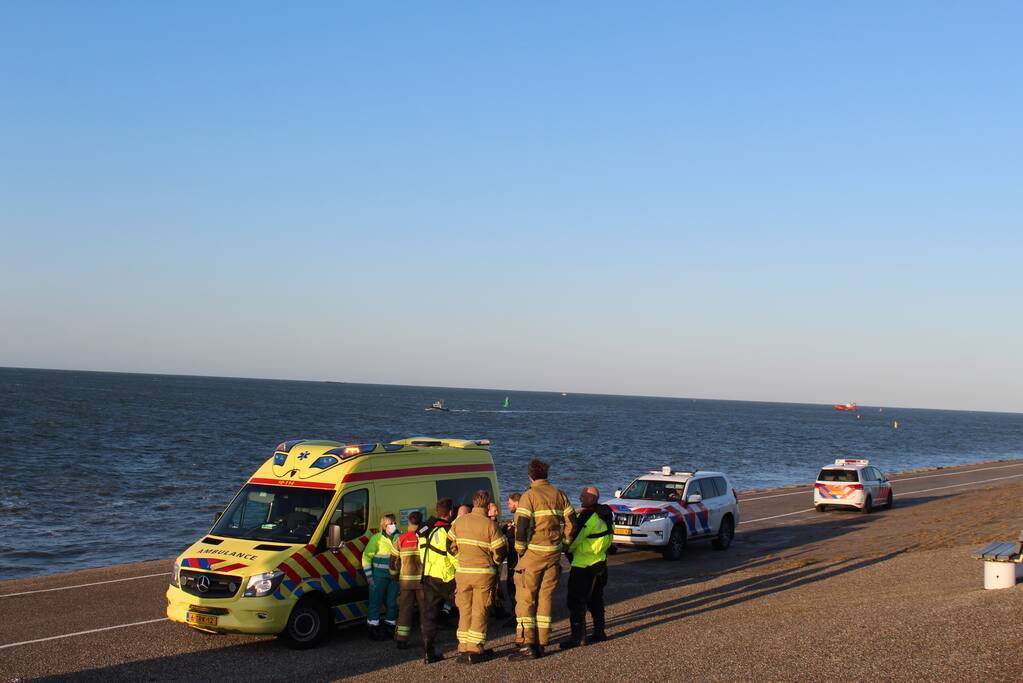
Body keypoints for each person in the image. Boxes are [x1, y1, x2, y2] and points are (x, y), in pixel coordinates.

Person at [510, 459, 577, 660]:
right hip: (553, 553)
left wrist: (520, 550)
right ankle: (542, 641)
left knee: (525, 598)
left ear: (530, 476)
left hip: (533, 555)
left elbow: (521, 527)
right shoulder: (559, 494)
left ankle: (527, 644)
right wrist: (564, 543)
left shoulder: (529, 496)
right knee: (545, 598)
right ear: (546, 475)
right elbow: (572, 523)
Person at [449, 490, 507, 664]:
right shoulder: (490, 525)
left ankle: (463, 646)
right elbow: (500, 551)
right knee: (480, 610)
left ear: (473, 503)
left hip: (463, 573)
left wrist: (461, 558)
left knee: (464, 610)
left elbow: (449, 545)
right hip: (483, 573)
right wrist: (494, 563)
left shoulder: (460, 522)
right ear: (487, 504)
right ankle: (475, 649)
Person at [560, 486, 613, 649]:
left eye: (583, 495)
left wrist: (564, 548)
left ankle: (578, 637)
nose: (580, 496)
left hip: (583, 565)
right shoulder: (605, 515)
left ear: (591, 498)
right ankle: (599, 631)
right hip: (600, 562)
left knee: (575, 601)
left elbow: (573, 540)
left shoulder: (587, 517)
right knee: (596, 599)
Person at [418, 498, 456, 663]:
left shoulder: (425, 530)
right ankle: (471, 647)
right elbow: (454, 556)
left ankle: (428, 652)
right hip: (447, 577)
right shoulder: (448, 530)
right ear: (451, 512)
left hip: (429, 577)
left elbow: (421, 553)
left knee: (429, 616)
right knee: (466, 608)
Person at [391, 510, 425, 649]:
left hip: (406, 582)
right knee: (425, 611)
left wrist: (394, 575)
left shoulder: (401, 539)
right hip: (423, 582)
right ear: (420, 522)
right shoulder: (424, 537)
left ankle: (401, 639)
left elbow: (393, 561)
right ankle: (427, 638)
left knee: (404, 610)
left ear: (409, 522)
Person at [362, 514, 400, 640]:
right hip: (378, 577)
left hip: (394, 577)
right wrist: (369, 577)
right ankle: (373, 629)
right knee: (375, 603)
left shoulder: (399, 537)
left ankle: (390, 627)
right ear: (384, 526)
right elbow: (366, 557)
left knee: (392, 603)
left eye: (394, 522)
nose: (394, 525)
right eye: (391, 523)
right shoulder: (376, 539)